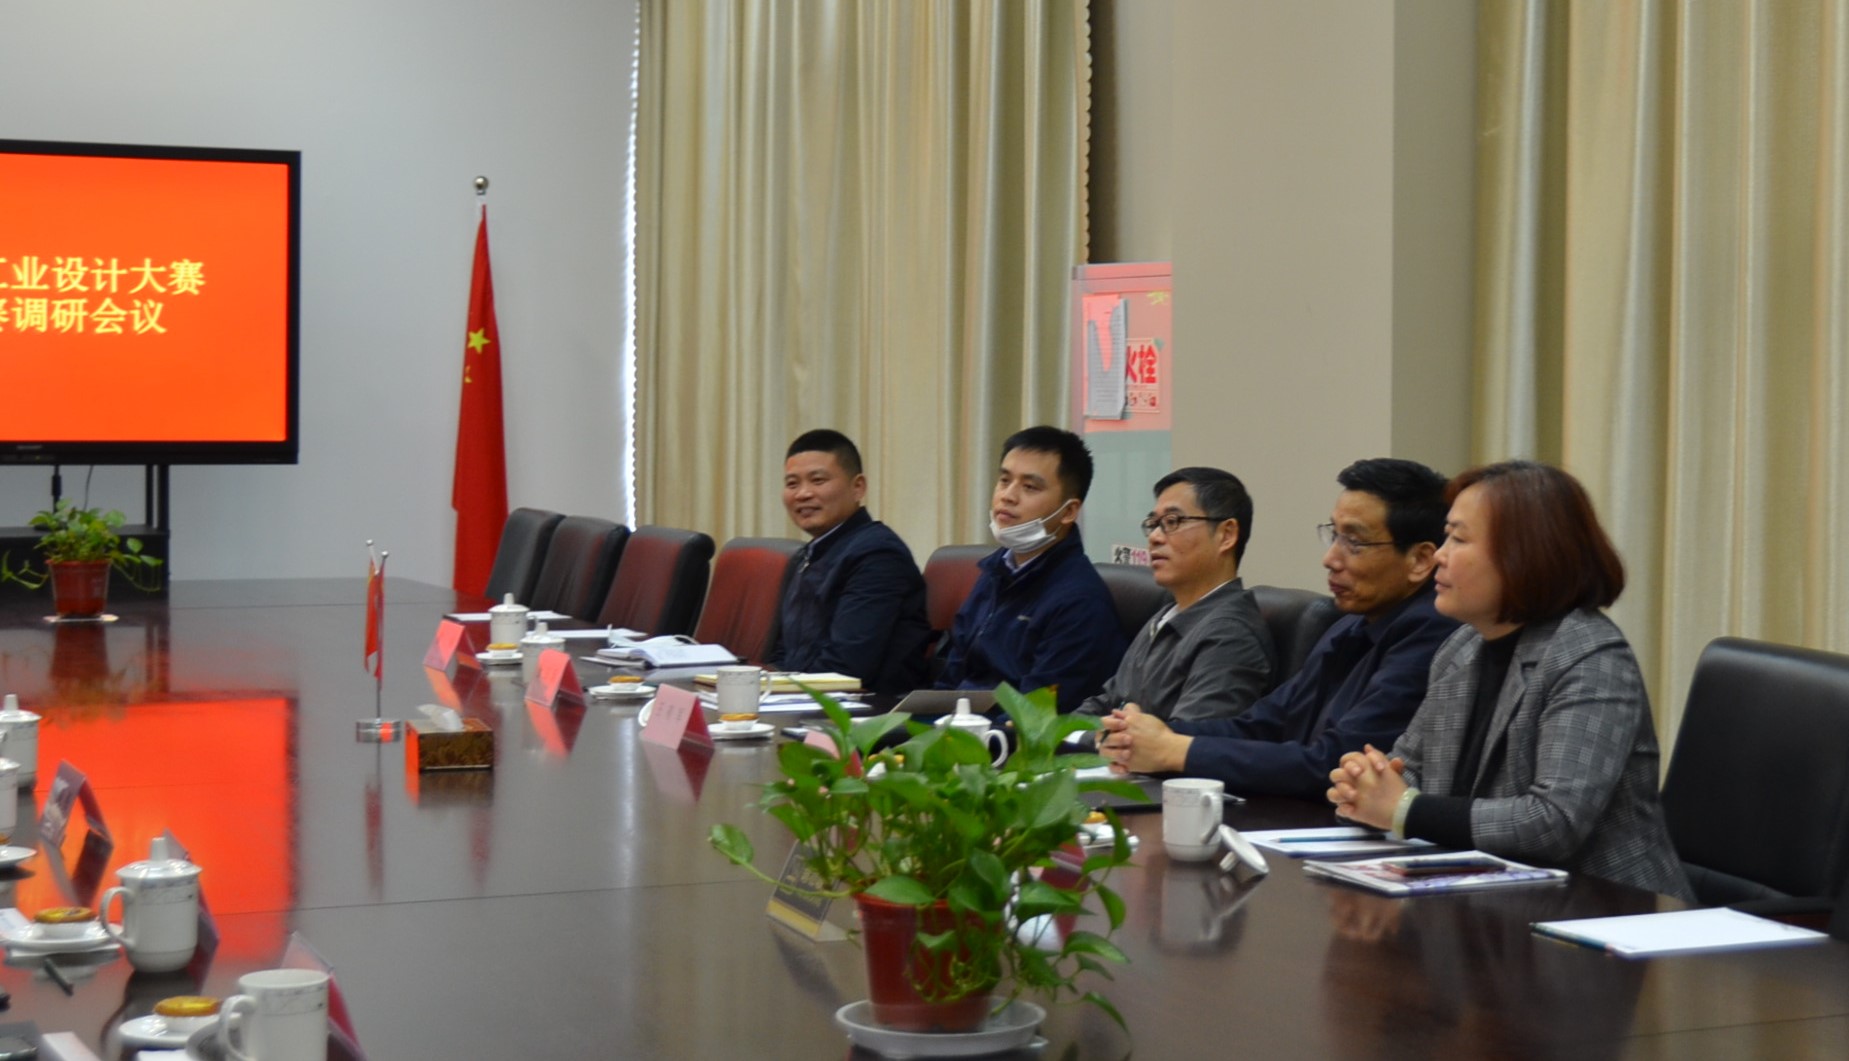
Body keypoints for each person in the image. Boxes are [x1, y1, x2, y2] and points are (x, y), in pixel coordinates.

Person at [1327, 461, 1693, 899]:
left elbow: (1554, 822)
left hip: (1608, 910)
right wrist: (1365, 785)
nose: (1440, 554)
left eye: (1459, 539)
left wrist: (1403, 808)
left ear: (1524, 555)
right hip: (1490, 897)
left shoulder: (1590, 657)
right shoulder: (1462, 648)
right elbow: (1410, 767)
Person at [1099, 458, 1457, 798]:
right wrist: (1150, 735)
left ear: (1420, 560)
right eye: (1334, 535)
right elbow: (1263, 724)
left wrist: (1177, 750)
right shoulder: (1349, 624)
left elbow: (1337, 763)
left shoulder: (1430, 634)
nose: (1330, 559)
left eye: (1355, 542)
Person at [936, 426, 1124, 711]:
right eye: (1004, 480)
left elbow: (1038, 716)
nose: (1008, 496)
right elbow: (950, 680)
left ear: (1069, 511)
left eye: (1030, 487)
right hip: (959, 723)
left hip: (1009, 734)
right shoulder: (996, 572)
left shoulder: (1080, 601)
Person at [1073, 466, 1274, 726]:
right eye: (1153, 524)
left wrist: (1102, 737)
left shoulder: (1231, 636)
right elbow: (1108, 701)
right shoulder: (1166, 614)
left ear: (1226, 535)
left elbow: (1186, 741)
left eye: (1172, 522)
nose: (1155, 537)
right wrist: (1055, 735)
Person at [772, 429, 930, 695]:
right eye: (792, 484)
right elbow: (781, 651)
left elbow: (847, 667)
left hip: (866, 709)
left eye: (818, 480)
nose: (803, 494)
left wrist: (781, 690)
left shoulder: (878, 555)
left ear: (858, 487)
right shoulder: (806, 555)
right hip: (802, 699)